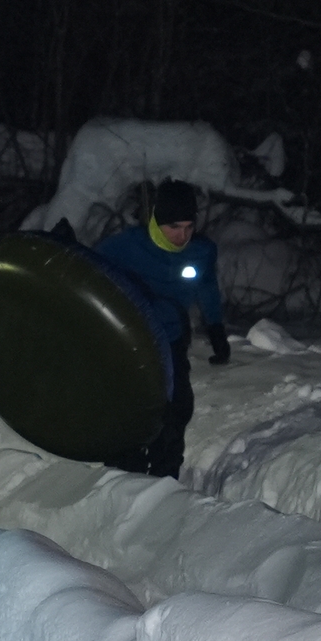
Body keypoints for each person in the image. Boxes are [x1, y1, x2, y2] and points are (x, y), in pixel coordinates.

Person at [92, 178, 229, 478]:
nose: (182, 236)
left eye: (188, 227)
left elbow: (207, 286)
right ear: (157, 220)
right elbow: (85, 267)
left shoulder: (201, 251)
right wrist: (61, 243)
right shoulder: (125, 246)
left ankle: (165, 480)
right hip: (127, 341)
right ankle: (124, 477)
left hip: (171, 339)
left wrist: (216, 329)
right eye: (174, 227)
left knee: (177, 408)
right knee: (130, 410)